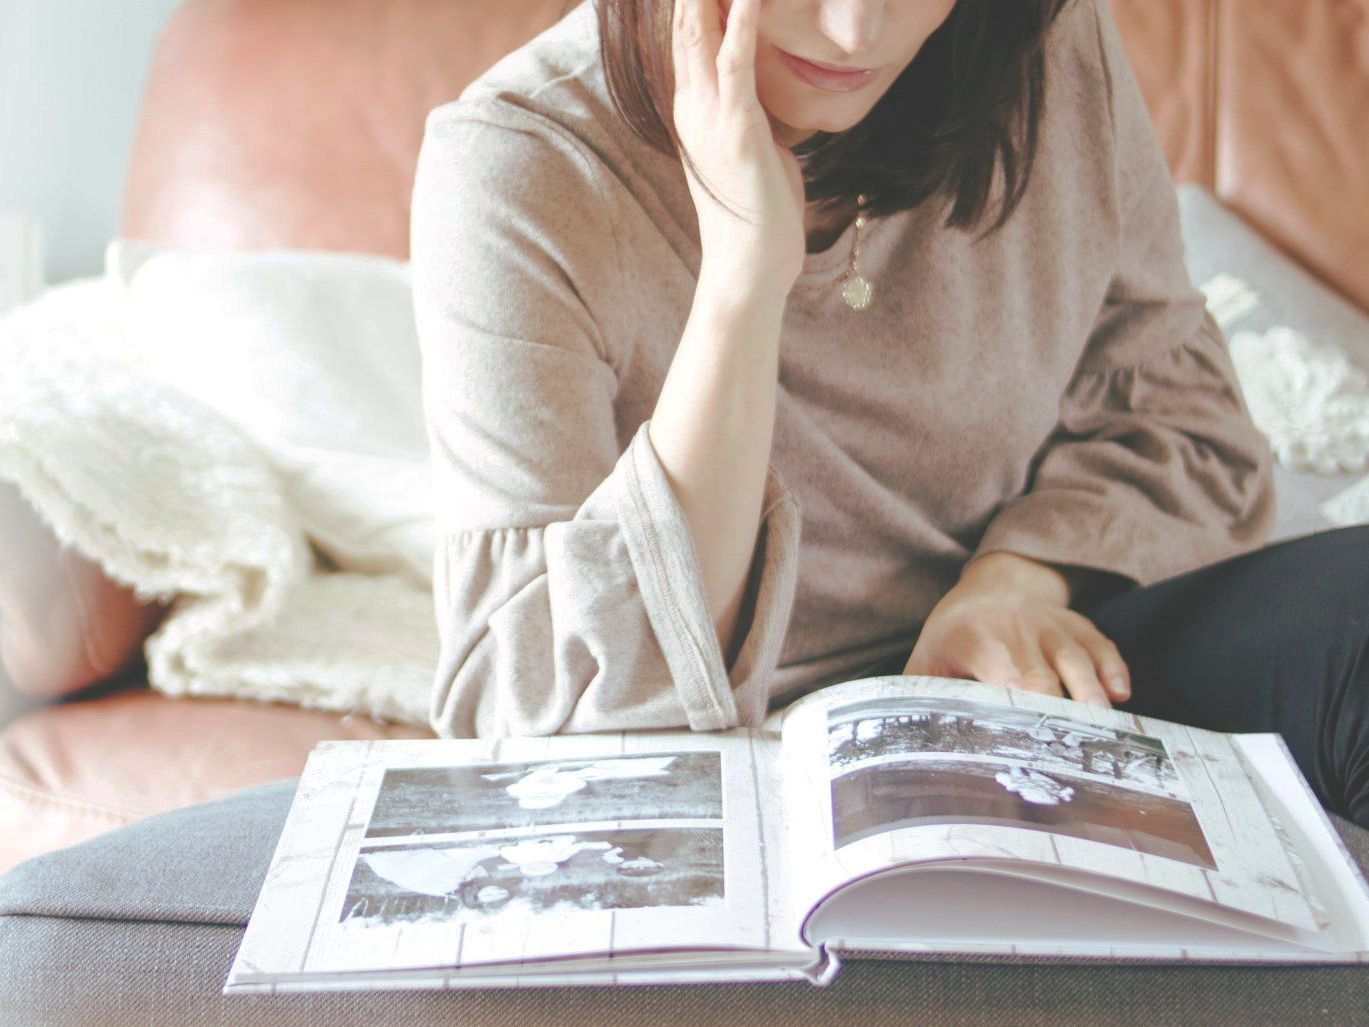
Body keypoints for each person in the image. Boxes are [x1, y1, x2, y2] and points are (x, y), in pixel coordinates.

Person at [410, 0, 1369, 828]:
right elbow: (540, 719)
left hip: (1035, 667)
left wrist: (1012, 586)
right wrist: (745, 277)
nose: (855, 31)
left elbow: (1181, 413)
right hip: (744, 770)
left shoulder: (1036, 46)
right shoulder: (519, 166)